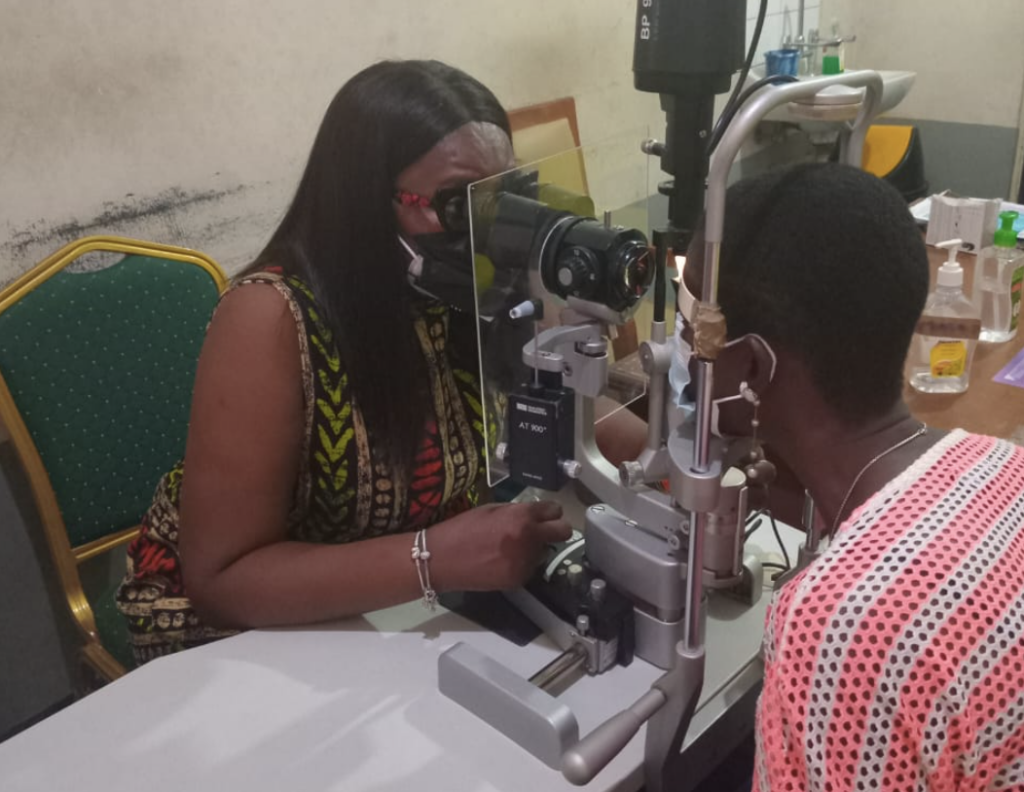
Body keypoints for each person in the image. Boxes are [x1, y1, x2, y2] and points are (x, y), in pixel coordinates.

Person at [116, 60, 573, 664]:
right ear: (366, 200)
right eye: (460, 203)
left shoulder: (461, 295)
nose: (488, 228)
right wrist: (431, 558)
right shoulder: (270, 320)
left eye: (501, 195)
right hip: (235, 635)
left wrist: (692, 437)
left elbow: (563, 406)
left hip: (399, 605)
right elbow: (222, 581)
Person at [677, 162, 1024, 790]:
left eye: (689, 333)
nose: (682, 357)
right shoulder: (1003, 460)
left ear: (752, 367)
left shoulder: (843, 628)